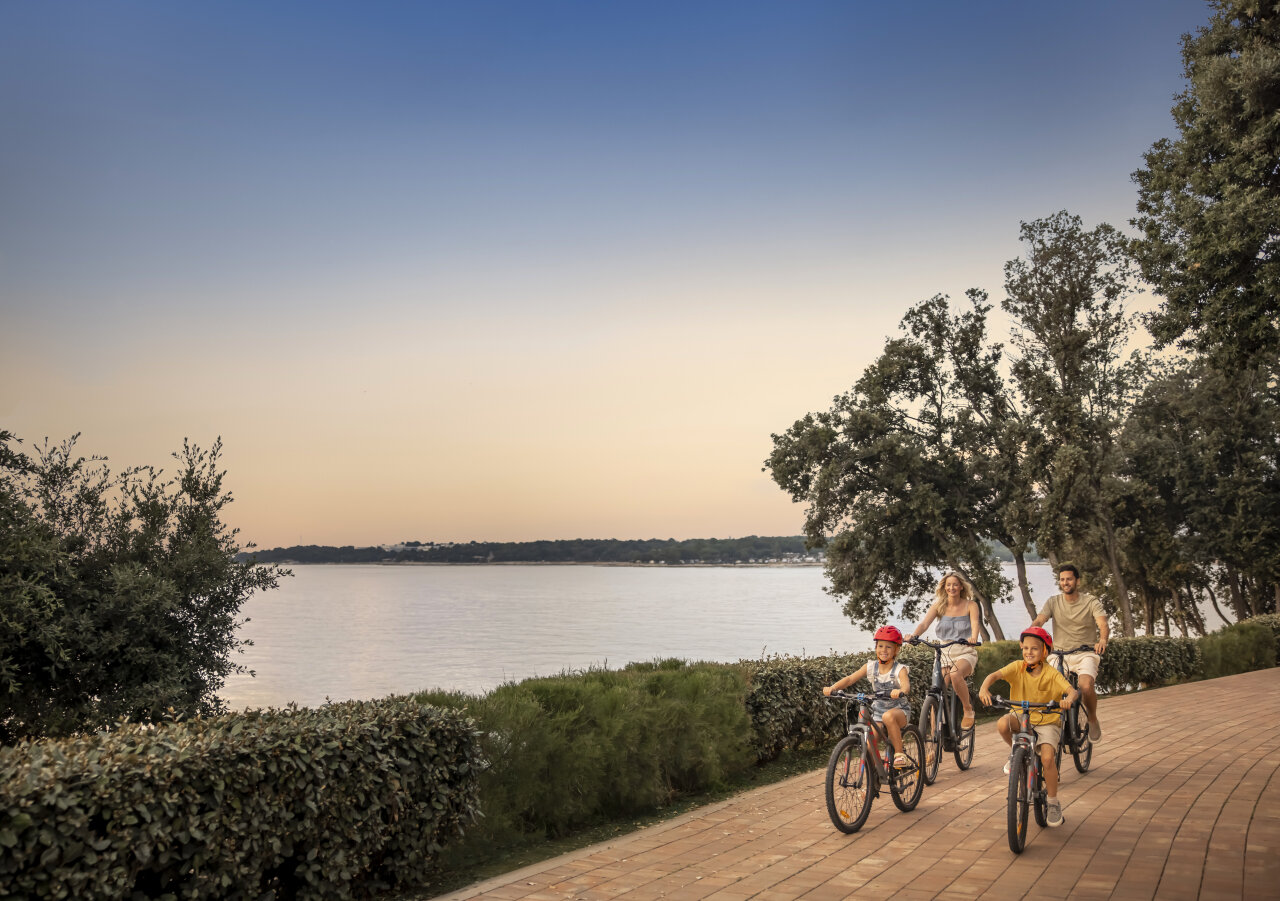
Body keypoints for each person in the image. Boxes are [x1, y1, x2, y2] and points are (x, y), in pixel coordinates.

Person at [978, 626, 1077, 828]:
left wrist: (1068, 700)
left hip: (1047, 719)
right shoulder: (1017, 667)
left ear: (1045, 652)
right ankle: (1015, 754)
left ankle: (1053, 802)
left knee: (1048, 758)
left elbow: (1071, 691)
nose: (1029, 652)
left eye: (1035, 649)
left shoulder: (1051, 673)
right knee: (1003, 723)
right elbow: (993, 676)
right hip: (1021, 715)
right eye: (1026, 648)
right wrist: (984, 688)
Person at [1030, 563, 1109, 741]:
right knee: (1047, 687)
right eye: (1062, 579)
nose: (1065, 582)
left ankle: (1092, 718)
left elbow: (1102, 624)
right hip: (1059, 655)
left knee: (1086, 686)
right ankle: (1047, 725)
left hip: (1085, 653)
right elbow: (1039, 621)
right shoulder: (1053, 602)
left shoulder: (1090, 601)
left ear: (1077, 581)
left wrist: (1102, 640)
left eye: (1069, 579)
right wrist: (1032, 633)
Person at [823, 626, 912, 767]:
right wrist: (833, 688)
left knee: (888, 717)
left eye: (889, 647)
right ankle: (874, 782)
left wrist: (900, 690)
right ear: (876, 647)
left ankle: (899, 755)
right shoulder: (871, 667)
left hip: (899, 711)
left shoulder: (899, 669)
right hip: (878, 713)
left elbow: (906, 686)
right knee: (870, 746)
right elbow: (850, 679)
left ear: (896, 650)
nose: (884, 650)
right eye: (880, 646)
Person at [908, 571, 982, 729]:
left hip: (964, 650)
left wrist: (973, 638)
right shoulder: (938, 606)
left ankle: (968, 709)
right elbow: (924, 624)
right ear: (944, 587)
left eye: (955, 584)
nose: (952, 587)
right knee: (937, 692)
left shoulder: (971, 605)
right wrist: (914, 636)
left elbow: (975, 623)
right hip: (944, 651)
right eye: (948, 585)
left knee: (955, 674)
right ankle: (934, 741)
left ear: (961, 586)